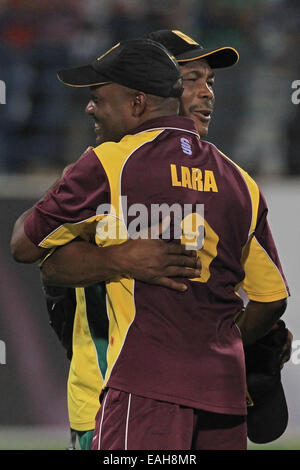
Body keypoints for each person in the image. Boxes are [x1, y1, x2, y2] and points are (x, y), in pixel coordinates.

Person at [11, 38, 289, 450]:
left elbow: (269, 299)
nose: (204, 91)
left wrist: (236, 344)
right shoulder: (116, 167)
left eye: (210, 81)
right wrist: (122, 258)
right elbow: (50, 267)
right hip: (109, 394)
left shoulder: (223, 179)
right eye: (190, 78)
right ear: (159, 88)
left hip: (149, 393)